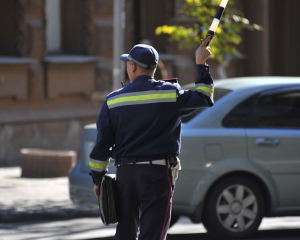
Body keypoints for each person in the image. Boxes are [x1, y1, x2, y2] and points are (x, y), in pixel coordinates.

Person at [89, 37, 214, 240]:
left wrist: (98, 179)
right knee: (153, 234)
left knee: (125, 234)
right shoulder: (170, 94)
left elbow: (102, 146)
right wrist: (201, 64)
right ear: (154, 68)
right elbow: (205, 96)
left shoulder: (113, 100)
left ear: (132, 66)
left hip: (126, 176)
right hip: (157, 174)